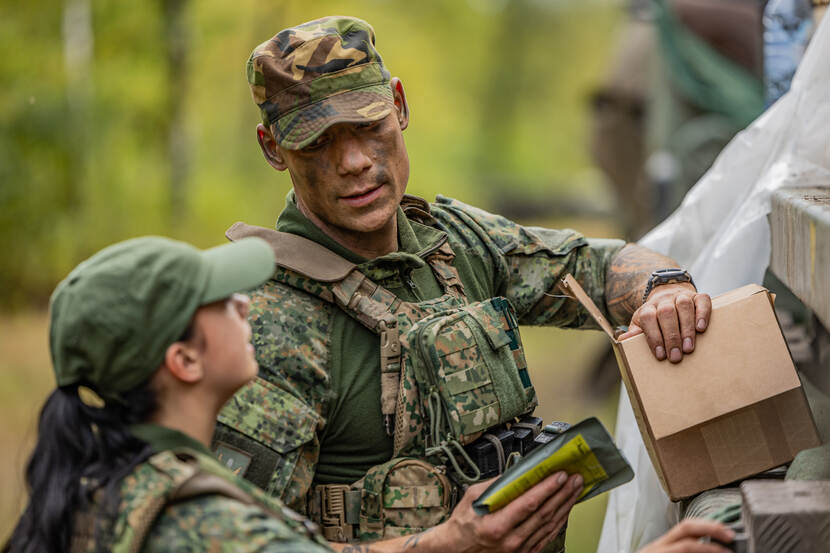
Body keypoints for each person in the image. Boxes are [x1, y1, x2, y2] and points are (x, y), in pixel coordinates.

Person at [214, 15, 718, 553]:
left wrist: (662, 289)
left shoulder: (456, 244)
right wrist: (446, 545)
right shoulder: (268, 323)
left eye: (368, 124)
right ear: (273, 148)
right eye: (317, 143)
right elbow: (236, 544)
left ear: (399, 106)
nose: (355, 162)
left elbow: (594, 266)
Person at [2, 236, 333, 553]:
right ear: (185, 360)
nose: (244, 303)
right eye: (222, 301)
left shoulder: (90, 491)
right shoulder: (221, 532)